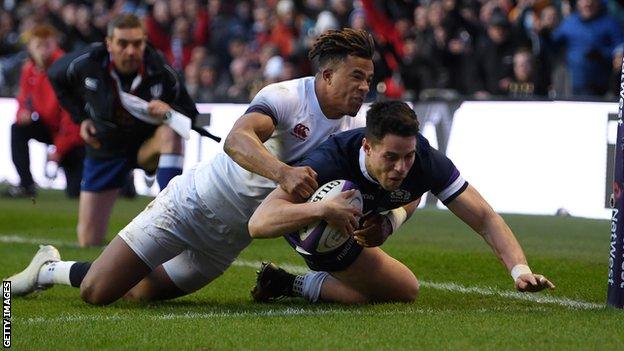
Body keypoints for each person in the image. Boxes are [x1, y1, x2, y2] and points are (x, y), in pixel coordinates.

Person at [5, 28, 376, 305]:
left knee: (136, 294)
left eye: (369, 80)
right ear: (327, 76)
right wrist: (283, 173)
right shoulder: (286, 96)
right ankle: (48, 267)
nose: (364, 87)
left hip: (226, 243)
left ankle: (79, 266)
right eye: (356, 76)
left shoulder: (350, 130)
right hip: (190, 207)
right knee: (97, 292)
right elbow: (236, 140)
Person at [248, 101, 555, 304]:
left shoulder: (424, 162)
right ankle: (291, 283)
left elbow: (485, 219)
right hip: (314, 229)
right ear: (367, 147)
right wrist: (323, 209)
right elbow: (260, 222)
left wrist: (520, 270)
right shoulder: (329, 162)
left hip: (358, 218)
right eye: (391, 157)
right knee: (373, 295)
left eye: (407, 156)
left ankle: (282, 282)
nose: (401, 167)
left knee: (399, 290)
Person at [47, 13, 198, 247]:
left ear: (145, 42)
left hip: (145, 144)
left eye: (137, 43)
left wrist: (169, 111)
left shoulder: (161, 68)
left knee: (171, 132)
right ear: (109, 44)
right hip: (105, 147)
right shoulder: (86, 62)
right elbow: (55, 76)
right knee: (88, 240)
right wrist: (81, 118)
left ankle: (171, 215)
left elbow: (190, 114)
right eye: (123, 44)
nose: (130, 51)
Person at [3, 24, 84, 199]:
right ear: (30, 46)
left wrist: (59, 150)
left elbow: (71, 115)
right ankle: (26, 184)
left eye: (47, 45)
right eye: (38, 45)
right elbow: (24, 98)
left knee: (76, 192)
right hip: (49, 127)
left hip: (72, 136)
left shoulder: (64, 68)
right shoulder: (29, 69)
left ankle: (124, 184)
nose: (43, 51)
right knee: (17, 128)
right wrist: (22, 112)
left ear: (55, 44)